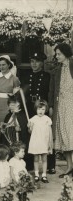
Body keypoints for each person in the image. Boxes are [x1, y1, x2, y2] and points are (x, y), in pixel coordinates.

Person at [19, 51, 56, 174]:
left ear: (42, 62)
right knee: (29, 134)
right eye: (32, 61)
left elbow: (51, 92)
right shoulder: (26, 76)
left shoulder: (47, 76)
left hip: (42, 107)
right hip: (29, 107)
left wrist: (50, 106)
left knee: (46, 134)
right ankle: (30, 164)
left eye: (37, 61)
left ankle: (50, 165)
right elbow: (22, 93)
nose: (34, 64)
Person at [52, 43, 73, 178]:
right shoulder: (57, 69)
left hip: (71, 104)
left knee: (71, 133)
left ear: (66, 53)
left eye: (59, 53)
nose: (56, 56)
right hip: (61, 105)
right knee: (63, 134)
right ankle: (69, 166)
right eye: (56, 53)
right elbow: (53, 90)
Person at [2, 95, 32, 170]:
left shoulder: (22, 115)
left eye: (13, 104)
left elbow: (25, 129)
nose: (11, 106)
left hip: (20, 139)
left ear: (18, 104)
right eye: (10, 104)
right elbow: (5, 126)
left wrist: (21, 129)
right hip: (10, 141)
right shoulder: (8, 116)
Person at [28, 99, 52, 183]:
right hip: (36, 141)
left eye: (43, 109)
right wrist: (30, 127)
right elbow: (30, 132)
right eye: (39, 109)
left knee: (44, 159)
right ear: (36, 109)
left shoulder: (47, 119)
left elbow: (49, 133)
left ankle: (44, 175)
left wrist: (49, 143)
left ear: (46, 110)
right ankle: (37, 174)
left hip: (44, 142)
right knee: (36, 159)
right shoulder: (33, 119)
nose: (41, 111)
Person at [0, 55, 20, 123]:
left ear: (9, 65)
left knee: (6, 123)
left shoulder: (14, 79)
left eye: (3, 65)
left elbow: (16, 96)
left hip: (8, 106)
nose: (1, 67)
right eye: (0, 65)